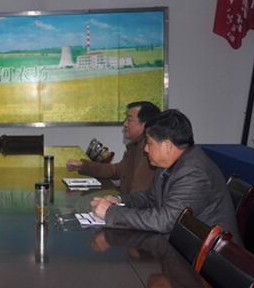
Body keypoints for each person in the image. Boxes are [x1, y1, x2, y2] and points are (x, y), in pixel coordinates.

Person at [91, 109, 239, 240]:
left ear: (167, 146)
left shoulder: (193, 173)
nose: (146, 149)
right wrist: (119, 200)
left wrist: (111, 213)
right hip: (183, 244)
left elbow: (166, 221)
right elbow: (150, 198)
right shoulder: (171, 163)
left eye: (149, 143)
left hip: (209, 257)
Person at [67, 101, 160, 194]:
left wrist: (117, 199)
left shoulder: (148, 150)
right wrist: (83, 166)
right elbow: (116, 170)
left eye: (129, 119)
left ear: (145, 124)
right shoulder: (135, 145)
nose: (125, 124)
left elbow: (138, 193)